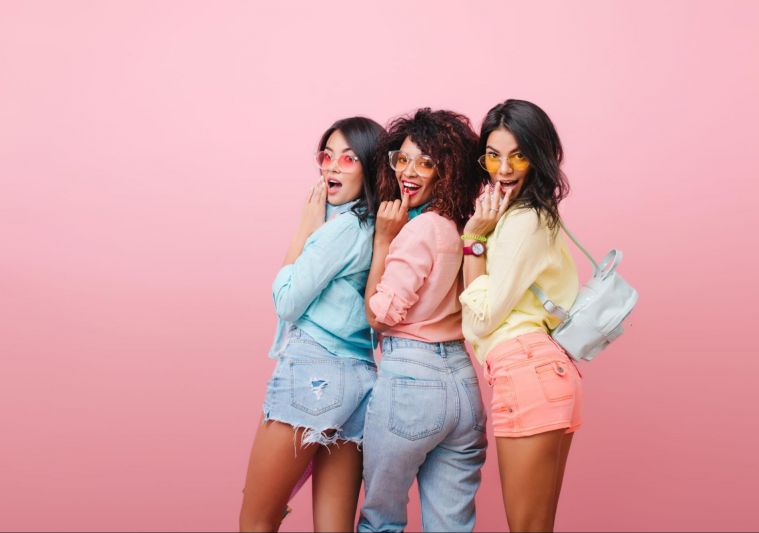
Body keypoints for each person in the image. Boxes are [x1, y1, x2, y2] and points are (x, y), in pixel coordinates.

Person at [240, 116, 384, 532]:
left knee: (256, 521)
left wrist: (305, 228)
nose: (332, 166)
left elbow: (287, 302)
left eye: (349, 158)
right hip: (359, 382)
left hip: (314, 373)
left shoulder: (339, 230)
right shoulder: (376, 228)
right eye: (327, 155)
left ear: (371, 167)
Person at [357, 108, 487, 533]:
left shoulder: (418, 230)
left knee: (381, 522)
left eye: (426, 162)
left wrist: (382, 240)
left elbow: (379, 316)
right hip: (463, 384)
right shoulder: (461, 227)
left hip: (412, 381)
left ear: (448, 172)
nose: (408, 172)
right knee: (452, 526)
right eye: (403, 158)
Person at [460, 99, 581, 532]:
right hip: (544, 370)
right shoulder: (535, 215)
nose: (504, 168)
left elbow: (482, 318)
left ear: (540, 155)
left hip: (525, 370)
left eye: (519, 154)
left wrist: (473, 239)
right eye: (493, 155)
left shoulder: (521, 221)